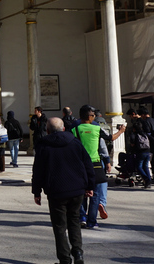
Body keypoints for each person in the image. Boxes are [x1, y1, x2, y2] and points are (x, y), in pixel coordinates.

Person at [32, 117, 95, 264]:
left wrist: (37, 192)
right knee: (74, 221)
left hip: (56, 191)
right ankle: (78, 253)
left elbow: (38, 170)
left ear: (47, 130)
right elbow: (88, 165)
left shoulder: (43, 145)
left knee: (59, 226)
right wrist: (90, 186)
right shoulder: (75, 142)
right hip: (77, 189)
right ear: (64, 129)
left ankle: (65, 259)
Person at [71, 105, 110, 229]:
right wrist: (121, 131)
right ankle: (92, 221)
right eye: (93, 116)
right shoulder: (97, 128)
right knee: (96, 193)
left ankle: (82, 217)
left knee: (81, 192)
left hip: (79, 163)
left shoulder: (74, 129)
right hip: (95, 163)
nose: (94, 117)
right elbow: (107, 141)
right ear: (89, 116)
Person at [130, 117, 152, 189]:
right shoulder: (144, 133)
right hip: (147, 151)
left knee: (139, 167)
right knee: (145, 167)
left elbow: (132, 144)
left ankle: (146, 179)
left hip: (140, 152)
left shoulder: (135, 134)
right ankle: (148, 181)